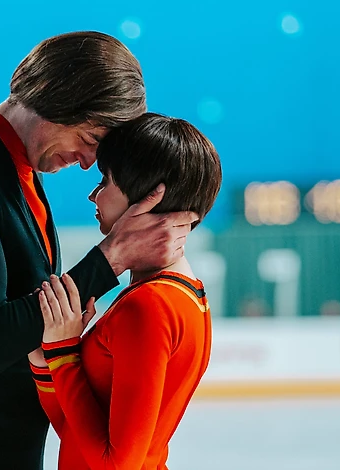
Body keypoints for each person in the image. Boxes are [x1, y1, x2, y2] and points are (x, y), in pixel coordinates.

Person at [0, 32, 198, 470]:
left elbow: (29, 324)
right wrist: (112, 257)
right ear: (61, 98)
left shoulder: (17, 171)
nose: (88, 162)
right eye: (91, 137)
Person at [28, 113, 222, 470]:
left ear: (149, 198)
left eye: (106, 181)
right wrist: (49, 359)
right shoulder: (174, 295)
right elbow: (77, 434)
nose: (93, 194)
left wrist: (63, 354)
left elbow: (116, 464)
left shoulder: (151, 305)